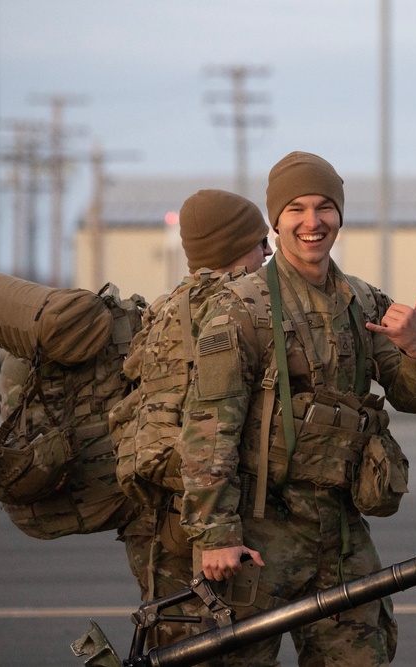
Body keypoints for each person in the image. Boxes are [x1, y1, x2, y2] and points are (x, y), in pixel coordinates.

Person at [177, 151, 416, 665]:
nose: (312, 222)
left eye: (325, 207)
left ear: (340, 216)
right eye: (297, 209)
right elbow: (208, 428)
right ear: (276, 221)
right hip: (261, 532)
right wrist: (216, 534)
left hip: (341, 528)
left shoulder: (364, 302)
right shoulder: (240, 308)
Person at [116, 188, 272, 652]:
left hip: (156, 506)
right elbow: (212, 425)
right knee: (216, 649)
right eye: (260, 241)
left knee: (172, 640)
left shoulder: (167, 306)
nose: (268, 252)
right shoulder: (234, 307)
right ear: (233, 246)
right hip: (204, 508)